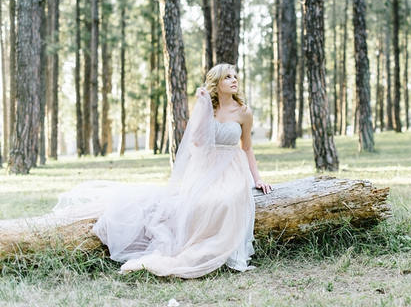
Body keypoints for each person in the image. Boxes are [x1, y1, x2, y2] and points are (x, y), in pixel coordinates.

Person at [53, 63, 271, 278]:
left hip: (232, 169)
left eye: (235, 76)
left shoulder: (244, 112)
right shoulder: (208, 108)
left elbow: (248, 148)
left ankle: (219, 249)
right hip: (206, 168)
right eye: (227, 77)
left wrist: (257, 179)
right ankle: (192, 245)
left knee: (226, 201)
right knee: (196, 204)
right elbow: (196, 142)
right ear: (217, 83)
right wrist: (203, 107)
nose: (234, 80)